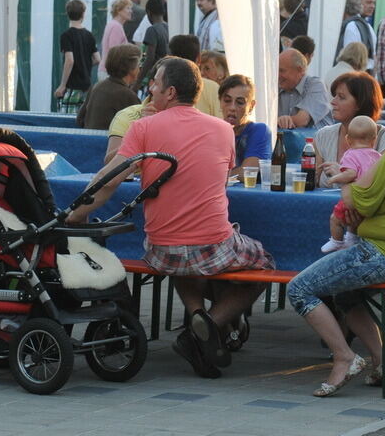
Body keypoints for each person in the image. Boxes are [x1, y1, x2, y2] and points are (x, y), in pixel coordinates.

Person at [67, 57, 274, 379]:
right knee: (265, 262)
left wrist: (74, 215)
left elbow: (109, 179)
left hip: (162, 250)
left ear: (170, 91)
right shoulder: (223, 130)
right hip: (212, 245)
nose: (150, 89)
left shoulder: (143, 127)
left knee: (180, 246)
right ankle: (207, 325)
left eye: (155, 84)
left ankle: (196, 317)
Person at [286, 87, 385, 396]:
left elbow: (359, 202)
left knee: (299, 288)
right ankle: (381, 362)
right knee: (346, 297)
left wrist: (343, 175)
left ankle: (344, 357)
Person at [314, 71, 385, 188]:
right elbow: (312, 182)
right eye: (335, 96)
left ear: (360, 104)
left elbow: (381, 186)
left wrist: (344, 176)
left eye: (341, 97)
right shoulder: (323, 136)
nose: (333, 102)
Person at [319, 115, 382, 253]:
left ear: (348, 139)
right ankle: (352, 239)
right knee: (354, 219)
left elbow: (350, 174)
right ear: (374, 140)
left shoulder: (350, 154)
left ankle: (336, 241)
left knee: (335, 218)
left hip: (355, 197)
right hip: (371, 199)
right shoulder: (377, 156)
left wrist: (335, 178)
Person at [76, 43, 141, 129]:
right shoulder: (128, 96)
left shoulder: (96, 87)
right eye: (138, 65)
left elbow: (79, 120)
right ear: (131, 69)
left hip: (89, 139)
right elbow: (138, 130)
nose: (139, 69)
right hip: (110, 141)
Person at [219, 74, 271, 180]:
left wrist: (213, 177)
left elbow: (248, 172)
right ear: (220, 101)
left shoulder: (259, 130)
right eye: (227, 100)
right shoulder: (213, 131)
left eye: (240, 102)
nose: (232, 107)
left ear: (251, 106)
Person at [54, 0, 100, 114]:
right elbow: (97, 59)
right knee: (83, 119)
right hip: (87, 85)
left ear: (67, 14)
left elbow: (70, 60)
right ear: (83, 14)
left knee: (67, 120)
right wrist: (85, 63)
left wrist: (62, 85)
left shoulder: (66, 35)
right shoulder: (89, 35)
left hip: (73, 85)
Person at [277, 48, 333, 129]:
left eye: (282, 71)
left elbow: (302, 120)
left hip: (317, 141)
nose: (278, 75)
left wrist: (281, 121)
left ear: (299, 70)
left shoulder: (316, 85)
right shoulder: (276, 88)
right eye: (277, 70)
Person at [168, 34, 221, 118]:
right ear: (199, 58)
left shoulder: (163, 85)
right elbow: (222, 119)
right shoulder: (212, 87)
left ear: (169, 57)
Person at [337, 0, 376, 73]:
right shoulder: (367, 25)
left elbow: (350, 58)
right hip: (366, 74)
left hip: (354, 76)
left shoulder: (351, 26)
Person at [99, 0, 132, 78]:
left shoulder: (113, 24)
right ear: (119, 10)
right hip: (110, 73)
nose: (131, 11)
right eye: (128, 8)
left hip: (107, 72)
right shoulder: (116, 27)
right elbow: (114, 52)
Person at [140, 0, 169, 88]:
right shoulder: (169, 27)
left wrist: (137, 81)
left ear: (149, 12)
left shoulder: (152, 30)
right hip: (168, 75)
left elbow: (149, 58)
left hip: (156, 76)